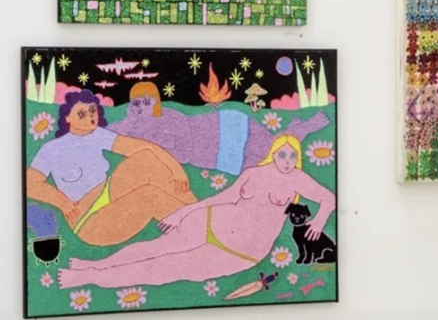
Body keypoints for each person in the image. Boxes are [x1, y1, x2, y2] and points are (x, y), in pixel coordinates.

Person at [57, 117, 336, 290]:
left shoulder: (298, 180)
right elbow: (224, 197)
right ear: (273, 154)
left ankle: (89, 278)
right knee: (155, 248)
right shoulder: (254, 173)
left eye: (291, 156)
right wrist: (183, 212)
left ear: (297, 157)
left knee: (163, 269)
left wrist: (319, 222)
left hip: (236, 252)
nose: (286, 161)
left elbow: (329, 198)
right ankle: (95, 265)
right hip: (214, 220)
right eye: (282, 155)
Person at [26, 90, 197, 247]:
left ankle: (200, 212)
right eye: (81, 114)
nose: (90, 117)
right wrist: (61, 202)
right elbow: (30, 183)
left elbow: (144, 147)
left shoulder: (97, 134)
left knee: (146, 159)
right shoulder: (51, 149)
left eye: (92, 110)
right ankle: (193, 230)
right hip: (88, 220)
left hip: (107, 193)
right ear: (67, 118)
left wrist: (176, 169)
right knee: (149, 195)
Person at [110, 82, 290, 175]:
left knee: (271, 144)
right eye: (137, 103)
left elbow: (184, 152)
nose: (141, 107)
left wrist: (167, 148)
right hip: (215, 156)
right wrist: (129, 119)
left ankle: (295, 133)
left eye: (146, 101)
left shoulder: (168, 115)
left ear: (155, 101)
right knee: (264, 165)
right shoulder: (136, 128)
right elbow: (110, 132)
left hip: (221, 127)